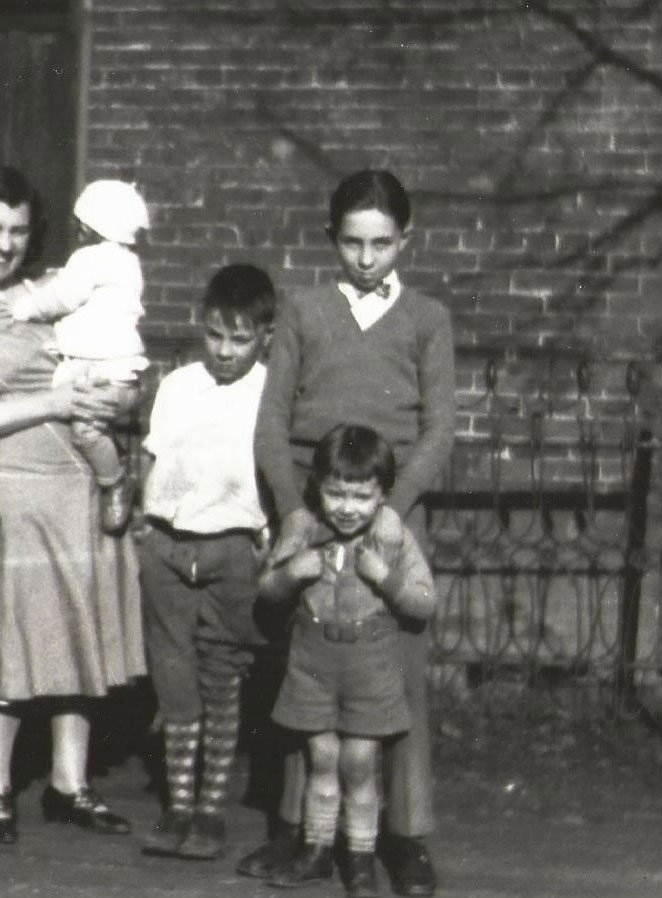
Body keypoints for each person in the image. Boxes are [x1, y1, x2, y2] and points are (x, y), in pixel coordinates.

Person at [243, 169, 454, 897]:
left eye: (382, 244)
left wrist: (393, 506)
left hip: (388, 506)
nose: (366, 259)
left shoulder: (427, 317)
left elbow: (439, 429)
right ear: (333, 238)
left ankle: (404, 835)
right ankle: (302, 828)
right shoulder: (303, 310)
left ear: (405, 241)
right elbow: (271, 420)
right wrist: (293, 509)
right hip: (315, 500)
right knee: (308, 668)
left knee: (395, 672)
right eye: (353, 243)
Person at [0, 166, 147, 845]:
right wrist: (54, 402)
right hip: (12, 488)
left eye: (18, 230)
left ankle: (69, 782)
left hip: (79, 481)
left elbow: (110, 364)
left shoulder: (53, 294)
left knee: (76, 631)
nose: (4, 244)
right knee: (16, 638)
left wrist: (121, 399)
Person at [135, 264, 276, 861]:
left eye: (240, 339)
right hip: (168, 545)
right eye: (216, 335)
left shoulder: (270, 391)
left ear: (265, 336)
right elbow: (154, 456)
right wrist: (145, 520)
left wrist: (270, 529)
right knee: (174, 673)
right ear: (203, 326)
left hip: (232, 548)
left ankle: (211, 811)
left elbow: (274, 471)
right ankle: (178, 807)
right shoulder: (178, 386)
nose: (225, 351)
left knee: (221, 675)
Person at [261, 425, 436, 897]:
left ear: (382, 496)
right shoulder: (304, 531)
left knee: (359, 761)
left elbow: (424, 602)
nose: (346, 507)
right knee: (321, 757)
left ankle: (360, 860)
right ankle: (316, 852)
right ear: (317, 487)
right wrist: (289, 575)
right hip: (314, 663)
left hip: (369, 665)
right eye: (336, 493)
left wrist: (387, 581)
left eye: (361, 496)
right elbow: (268, 594)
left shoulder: (391, 539)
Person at [8, 179, 151, 533]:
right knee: (92, 423)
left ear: (86, 228)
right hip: (121, 374)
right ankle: (111, 459)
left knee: (86, 430)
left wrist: (23, 309)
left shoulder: (90, 259)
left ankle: (115, 483)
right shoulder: (128, 262)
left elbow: (61, 298)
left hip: (100, 372)